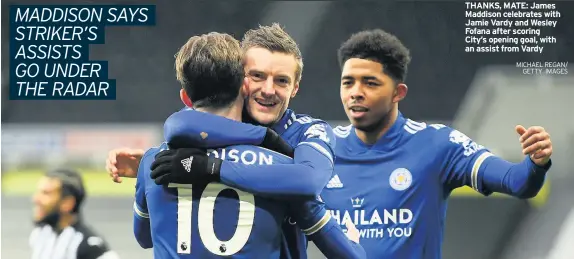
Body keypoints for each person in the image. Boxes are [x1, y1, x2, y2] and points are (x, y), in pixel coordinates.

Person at [108, 24, 356, 259]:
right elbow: (175, 125)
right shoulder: (198, 132)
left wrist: (210, 167)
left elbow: (308, 180)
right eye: (257, 76)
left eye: (281, 80)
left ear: (295, 88)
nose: (268, 89)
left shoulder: (309, 131)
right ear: (241, 82)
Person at [316, 29, 552, 258]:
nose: (355, 93)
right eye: (348, 83)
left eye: (370, 83)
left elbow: (518, 182)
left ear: (398, 92)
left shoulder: (437, 145)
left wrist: (536, 163)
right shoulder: (321, 150)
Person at [30, 168, 119, 259]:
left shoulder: (90, 247)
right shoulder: (40, 234)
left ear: (67, 203)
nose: (35, 199)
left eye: (46, 193)